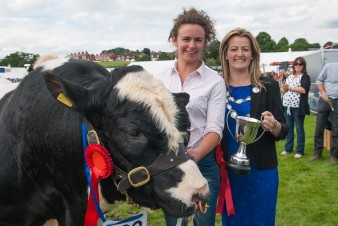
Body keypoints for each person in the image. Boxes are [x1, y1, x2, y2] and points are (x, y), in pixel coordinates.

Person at [154, 8, 226, 226]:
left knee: (203, 224)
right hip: (169, 165)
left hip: (202, 164)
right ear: (174, 40)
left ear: (205, 43)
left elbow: (215, 128)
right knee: (174, 223)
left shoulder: (214, 81)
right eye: (186, 39)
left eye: (198, 40)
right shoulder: (160, 78)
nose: (192, 45)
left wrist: (194, 156)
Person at [219, 28, 288, 226]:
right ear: (225, 53)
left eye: (245, 49)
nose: (239, 54)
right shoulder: (217, 85)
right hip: (229, 173)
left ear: (253, 54)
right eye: (234, 49)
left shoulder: (268, 85)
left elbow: (283, 129)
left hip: (261, 173)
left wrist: (274, 125)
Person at [280, 57, 311, 158]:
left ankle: (299, 151)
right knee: (288, 128)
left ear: (303, 66)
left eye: (300, 64)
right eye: (296, 64)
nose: (298, 66)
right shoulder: (289, 76)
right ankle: (288, 148)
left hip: (298, 106)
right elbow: (283, 89)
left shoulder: (305, 77)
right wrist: (283, 89)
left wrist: (290, 87)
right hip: (287, 105)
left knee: (299, 129)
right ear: (293, 65)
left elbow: (303, 90)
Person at [310, 62, 338, 164]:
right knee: (319, 127)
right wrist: (323, 93)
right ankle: (317, 153)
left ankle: (334, 156)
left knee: (336, 129)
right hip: (324, 101)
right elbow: (319, 81)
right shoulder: (329, 66)